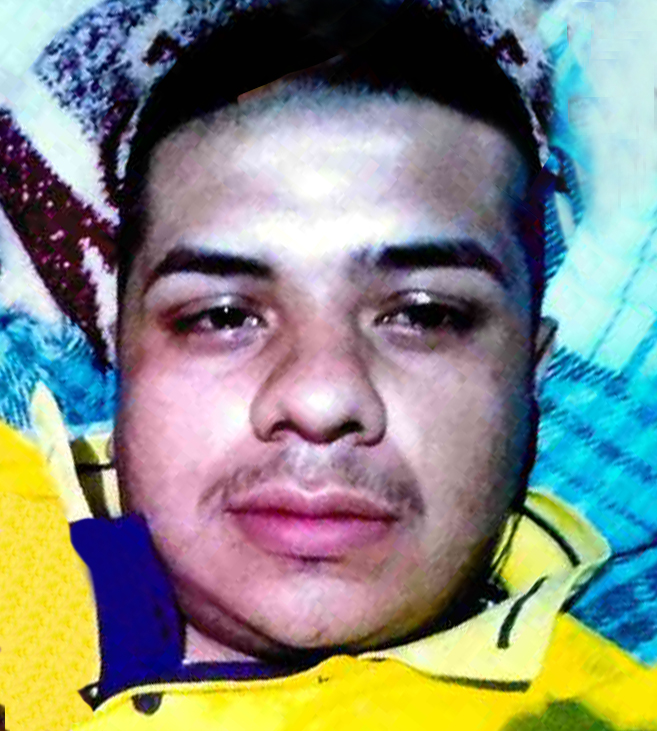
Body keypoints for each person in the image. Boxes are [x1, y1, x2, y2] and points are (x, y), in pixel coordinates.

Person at [1, 2, 655, 730]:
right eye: (223, 316)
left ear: (532, 372)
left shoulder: (604, 703)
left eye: (424, 314)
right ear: (122, 349)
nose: (320, 398)